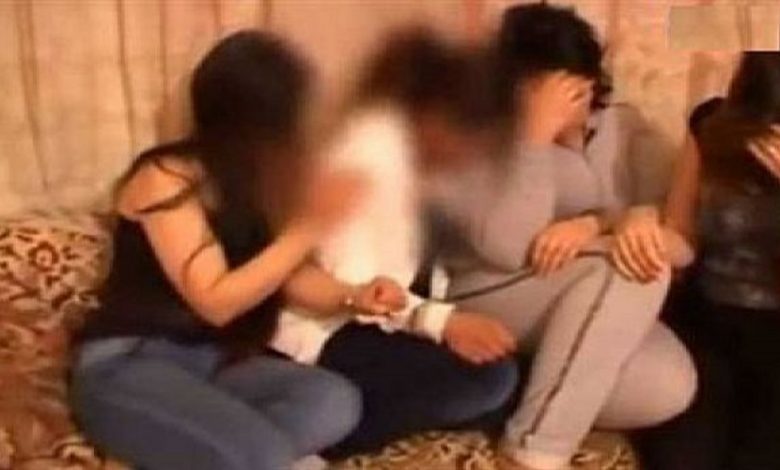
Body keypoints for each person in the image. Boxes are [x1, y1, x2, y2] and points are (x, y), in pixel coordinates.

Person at [68, 30, 398, 470]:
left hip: (216, 364)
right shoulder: (164, 176)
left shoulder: (258, 183)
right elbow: (216, 302)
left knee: (335, 400)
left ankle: (227, 454)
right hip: (130, 362)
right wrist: (309, 226)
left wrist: (355, 295)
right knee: (264, 454)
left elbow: (290, 276)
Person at [424, 4, 696, 469]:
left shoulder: (625, 127)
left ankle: (525, 387)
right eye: (540, 89)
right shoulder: (478, 137)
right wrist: (533, 135)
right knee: (626, 267)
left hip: (582, 305)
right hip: (486, 292)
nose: (566, 102)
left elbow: (678, 248)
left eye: (575, 87)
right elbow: (508, 248)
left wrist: (604, 222)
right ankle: (533, 449)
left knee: (669, 386)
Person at [270, 28, 520, 457]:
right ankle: (317, 437)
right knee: (491, 381)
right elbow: (356, 286)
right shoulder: (367, 152)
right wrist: (438, 323)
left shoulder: (424, 164)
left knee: (510, 377)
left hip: (386, 321)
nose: (475, 151)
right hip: (329, 327)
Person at [629, 52, 780, 470]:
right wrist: (632, 224)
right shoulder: (711, 124)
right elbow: (681, 235)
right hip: (706, 316)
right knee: (682, 454)